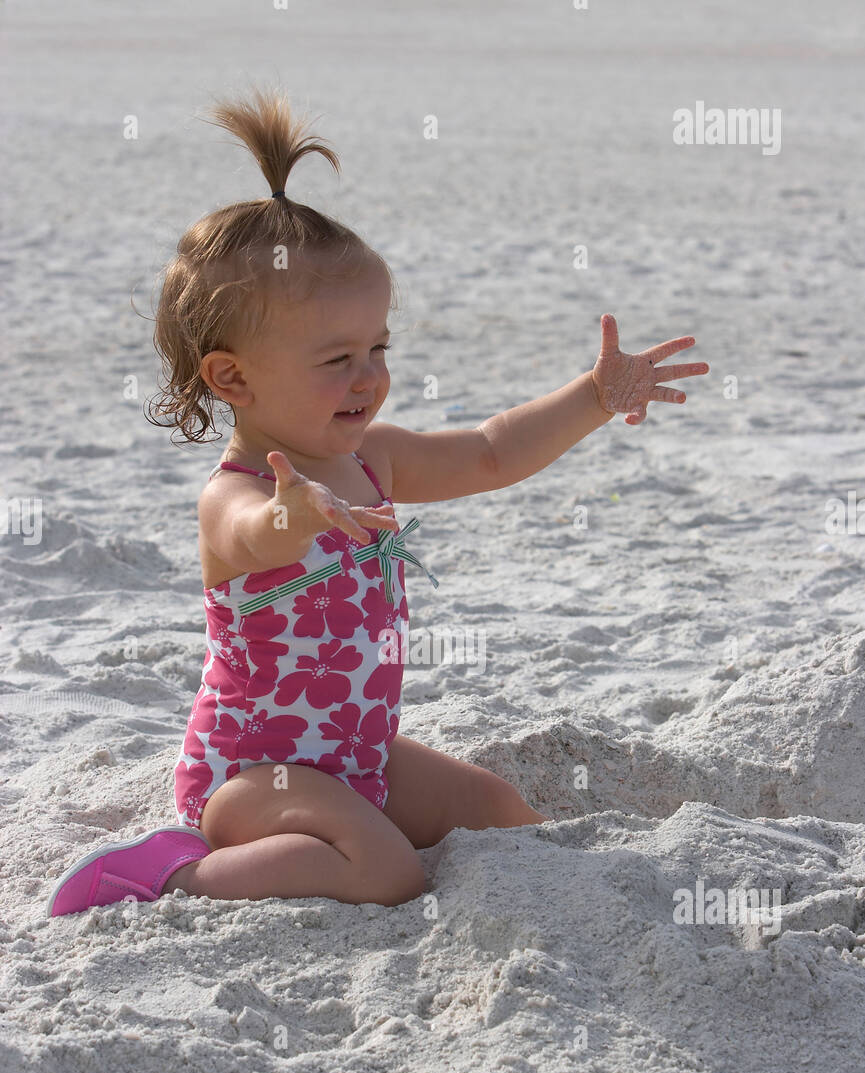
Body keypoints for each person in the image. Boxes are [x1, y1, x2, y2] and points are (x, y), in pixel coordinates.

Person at [49, 89, 708, 916]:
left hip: (357, 755)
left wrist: (593, 396)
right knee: (387, 873)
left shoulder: (374, 456)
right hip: (251, 778)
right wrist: (297, 513)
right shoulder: (236, 496)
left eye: (377, 348)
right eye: (335, 358)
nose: (367, 376)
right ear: (232, 377)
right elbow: (256, 537)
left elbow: (491, 451)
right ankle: (165, 873)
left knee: (501, 816)